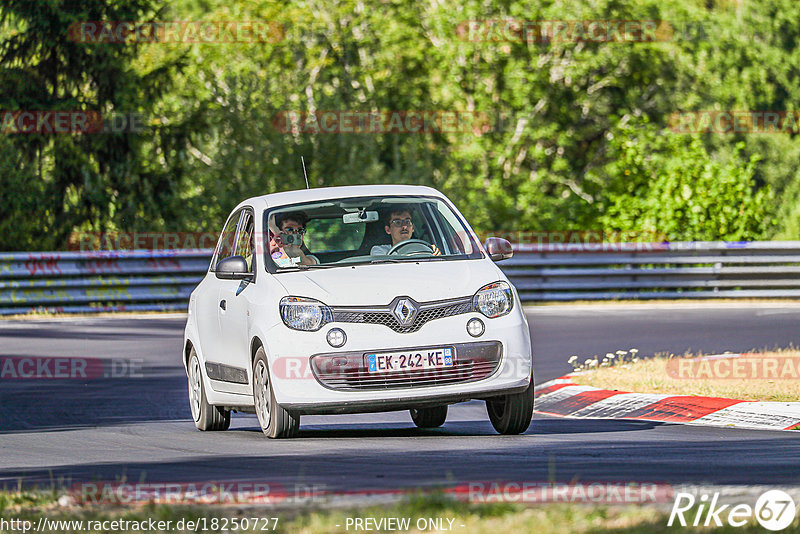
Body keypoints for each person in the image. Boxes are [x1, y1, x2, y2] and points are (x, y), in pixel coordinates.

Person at [370, 208, 441, 256]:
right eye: (397, 222)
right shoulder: (379, 251)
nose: (404, 226)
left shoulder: (426, 250)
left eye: (407, 222)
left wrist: (432, 253)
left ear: (412, 228)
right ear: (388, 230)